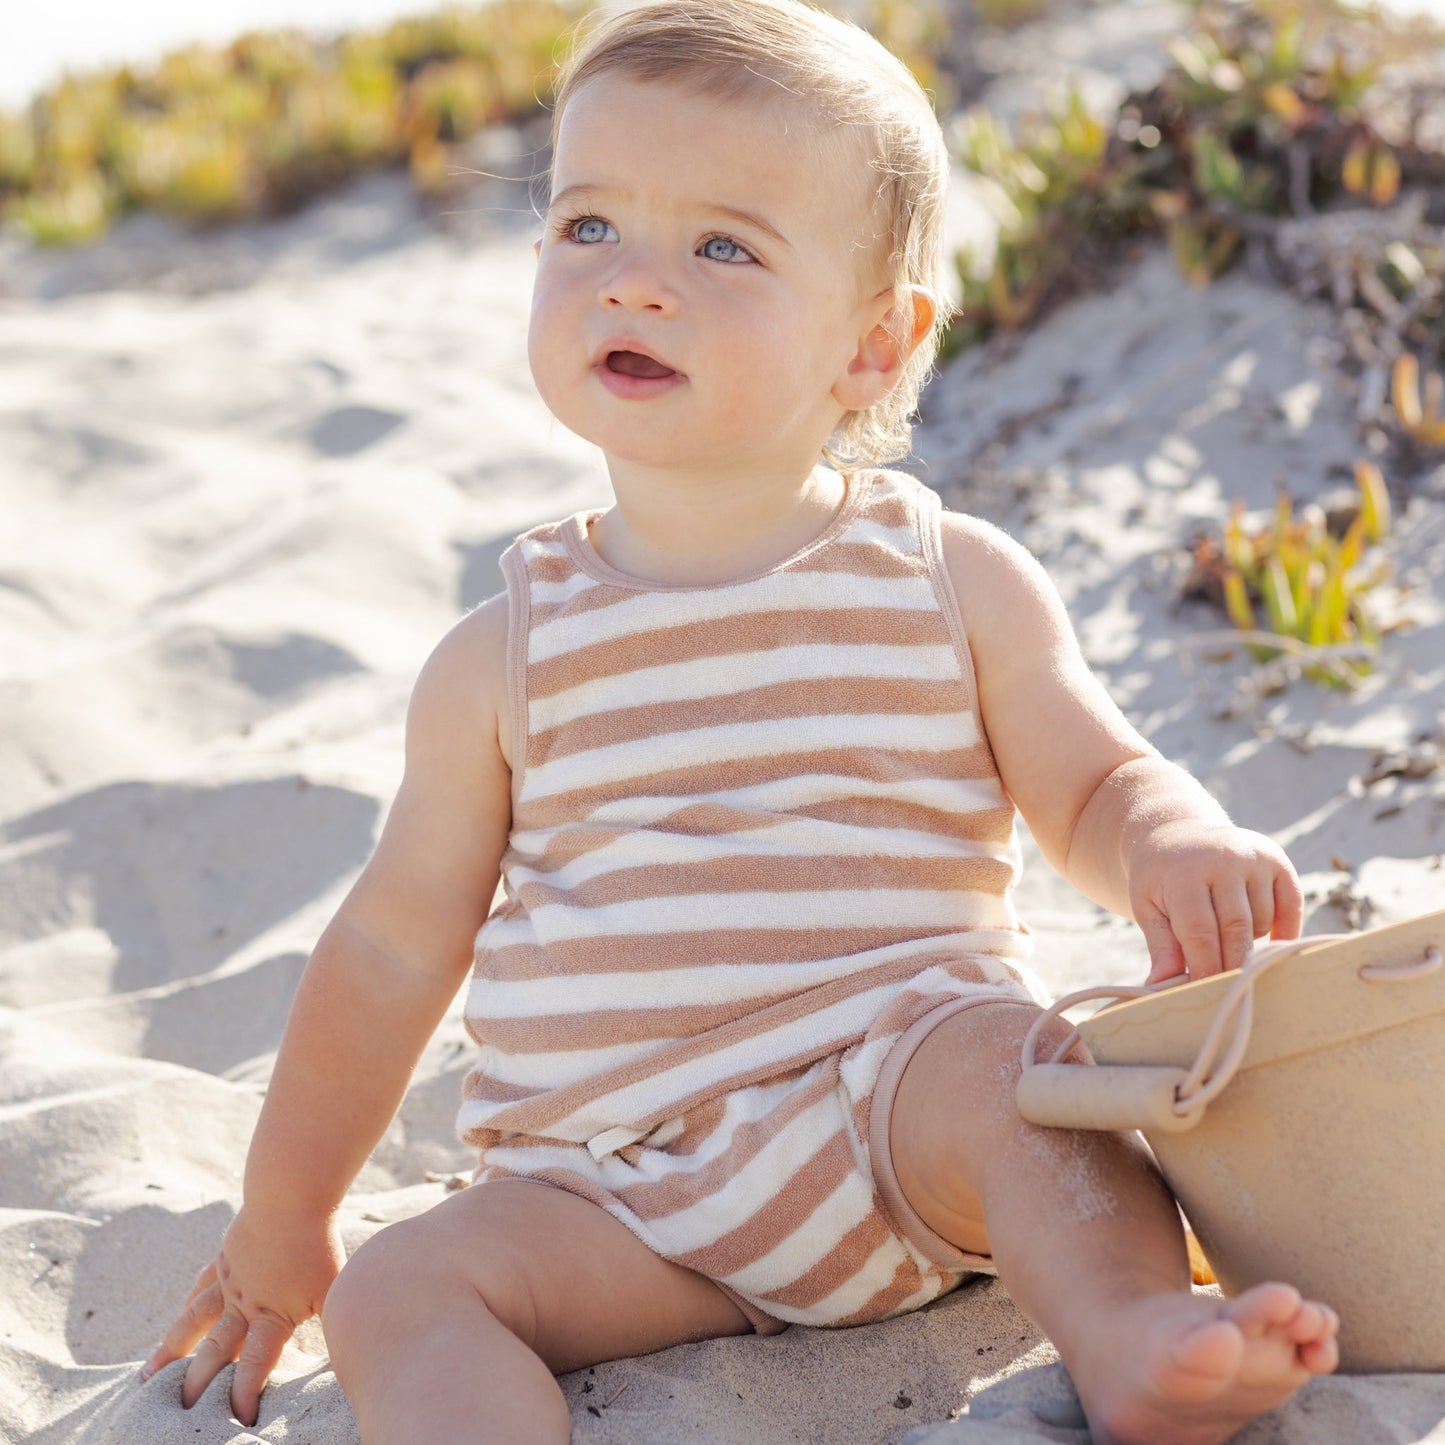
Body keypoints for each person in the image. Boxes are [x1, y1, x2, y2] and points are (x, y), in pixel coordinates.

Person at [142, 1, 1340, 1440]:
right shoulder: (501, 656)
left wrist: (1172, 843)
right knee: (400, 1286)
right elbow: (394, 946)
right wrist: (288, 1215)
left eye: (721, 246)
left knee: (1020, 1072)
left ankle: (1131, 1331)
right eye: (589, 227)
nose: (634, 285)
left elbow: (1090, 786)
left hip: (895, 1125)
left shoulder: (946, 578)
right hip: (612, 1191)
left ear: (873, 344)